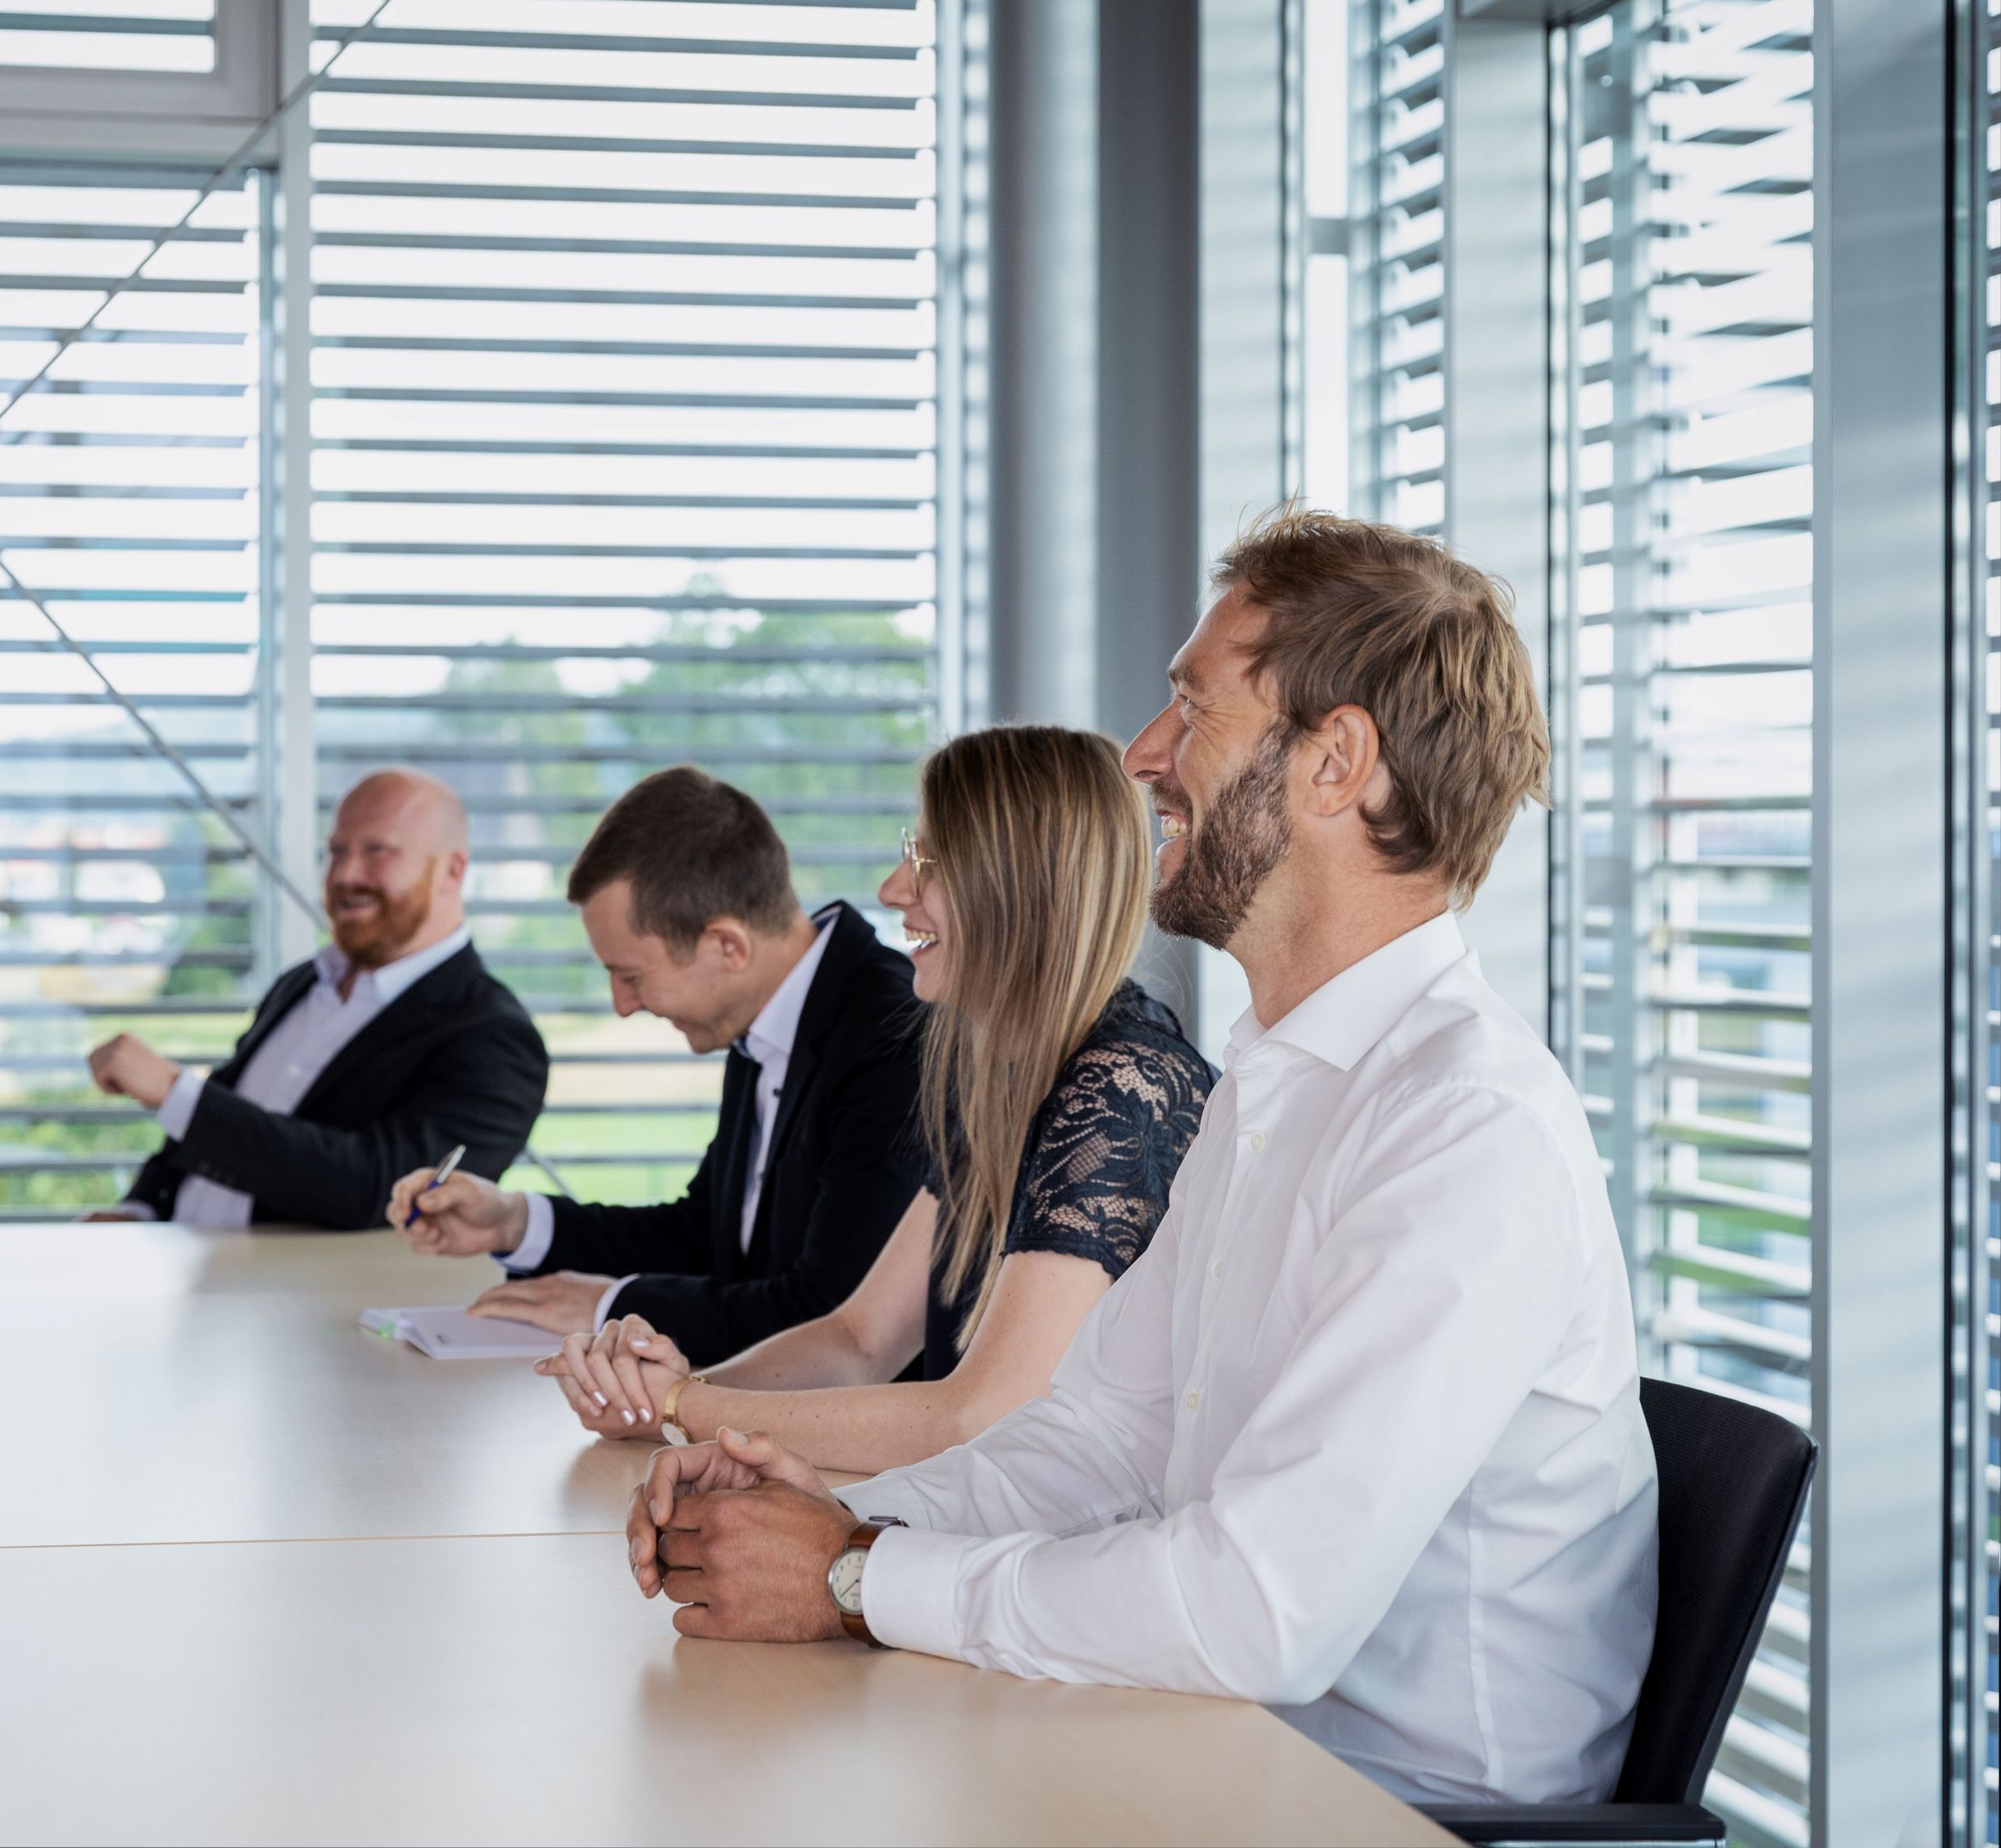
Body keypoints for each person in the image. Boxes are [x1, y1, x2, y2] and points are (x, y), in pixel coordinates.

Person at [623, 509, 1659, 1809]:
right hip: (1221, 1752)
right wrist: (844, 1514)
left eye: (1191, 705)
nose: (1142, 754)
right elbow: (1096, 1437)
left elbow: (1264, 1606)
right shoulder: (1276, 1083)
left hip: (1385, 1807)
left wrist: (851, 1577)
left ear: (1336, 762)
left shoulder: (1466, 1128)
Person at [534, 727, 1213, 1475]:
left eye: (927, 864)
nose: (894, 890)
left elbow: (978, 1414)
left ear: (1016, 883)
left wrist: (683, 1410)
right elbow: (858, 1341)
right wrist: (665, 1400)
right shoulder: (1003, 1074)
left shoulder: (1118, 1088)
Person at [390, 767, 927, 1363]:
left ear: (728, 946)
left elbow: (832, 1317)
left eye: (632, 975)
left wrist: (611, 1307)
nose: (622, 1006)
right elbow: (707, 1237)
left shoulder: (893, 1040)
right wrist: (514, 1221)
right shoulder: (765, 1013)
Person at [86, 768, 547, 1230]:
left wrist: (173, 1091)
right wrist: (140, 1210)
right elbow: (221, 1120)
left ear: (453, 871)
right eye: (337, 851)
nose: (345, 874)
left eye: (377, 851)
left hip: (311, 1300)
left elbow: (378, 1189)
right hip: (190, 1276)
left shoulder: (495, 1037)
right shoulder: (304, 983)